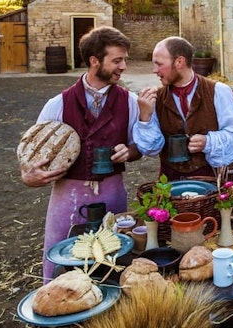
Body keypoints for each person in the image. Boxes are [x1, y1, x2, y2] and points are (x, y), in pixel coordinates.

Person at [20, 26, 163, 282]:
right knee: (61, 266)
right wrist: (29, 177)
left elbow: (139, 148)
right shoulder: (57, 104)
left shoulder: (130, 101)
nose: (123, 66)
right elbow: (32, 155)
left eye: (125, 60)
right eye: (117, 60)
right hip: (67, 198)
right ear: (95, 61)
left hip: (112, 195)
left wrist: (128, 152)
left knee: (110, 263)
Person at [147, 36, 233, 181]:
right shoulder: (156, 98)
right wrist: (144, 117)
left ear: (179, 62)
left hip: (208, 180)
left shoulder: (218, 91)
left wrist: (208, 142)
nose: (155, 70)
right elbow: (150, 148)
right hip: (169, 181)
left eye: (159, 64)